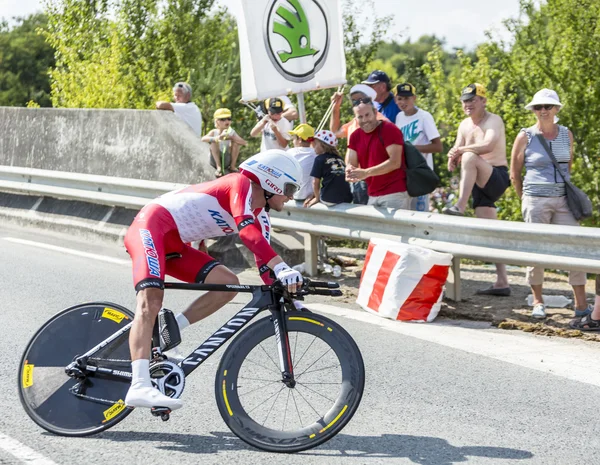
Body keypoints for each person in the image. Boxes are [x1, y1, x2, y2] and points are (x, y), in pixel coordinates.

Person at [122, 149, 304, 410]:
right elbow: (246, 233)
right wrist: (283, 266)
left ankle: (169, 333)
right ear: (270, 180)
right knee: (151, 301)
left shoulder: (261, 216)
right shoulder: (239, 184)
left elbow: (264, 265)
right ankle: (138, 386)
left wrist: (289, 294)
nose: (290, 196)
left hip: (177, 245)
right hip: (151, 227)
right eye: (289, 188)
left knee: (226, 285)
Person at [510, 89, 592, 319]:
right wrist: (525, 198)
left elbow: (569, 164)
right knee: (536, 250)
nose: (543, 111)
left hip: (563, 199)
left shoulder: (567, 134)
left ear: (556, 109)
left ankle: (581, 304)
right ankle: (538, 301)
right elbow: (514, 172)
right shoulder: (525, 136)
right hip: (536, 199)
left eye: (547, 106)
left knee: (575, 248)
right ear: (534, 111)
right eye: (538, 107)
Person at [443, 83, 511, 296]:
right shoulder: (464, 124)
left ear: (483, 100)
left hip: (496, 176)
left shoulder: (493, 120)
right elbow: (456, 148)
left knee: (471, 156)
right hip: (478, 184)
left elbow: (488, 145)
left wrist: (461, 152)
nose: (468, 104)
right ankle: (502, 282)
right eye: (465, 100)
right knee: (492, 233)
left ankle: (459, 207)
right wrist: (452, 158)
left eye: (472, 99)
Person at [329, 84, 388, 205]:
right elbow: (334, 132)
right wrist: (336, 108)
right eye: (354, 100)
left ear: (369, 101)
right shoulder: (354, 122)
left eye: (360, 100)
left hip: (370, 177)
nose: (356, 103)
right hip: (355, 177)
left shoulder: (381, 121)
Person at [345, 100, 408, 209]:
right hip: (372, 194)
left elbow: (395, 162)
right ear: (355, 119)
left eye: (367, 115)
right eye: (360, 117)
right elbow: (351, 163)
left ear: (375, 112)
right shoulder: (355, 136)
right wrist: (349, 170)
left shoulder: (389, 129)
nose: (364, 120)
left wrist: (366, 172)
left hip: (394, 193)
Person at [394, 82, 443, 211]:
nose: (403, 102)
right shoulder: (399, 117)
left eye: (407, 98)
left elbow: (438, 147)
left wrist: (412, 149)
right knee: (405, 213)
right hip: (405, 174)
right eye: (400, 98)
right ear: (395, 100)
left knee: (420, 215)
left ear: (414, 98)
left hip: (420, 174)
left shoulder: (424, 117)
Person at [304, 130, 352, 207]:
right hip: (347, 198)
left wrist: (316, 198)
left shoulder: (319, 159)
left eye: (315, 143)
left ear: (322, 145)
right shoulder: (340, 159)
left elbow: (315, 182)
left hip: (330, 199)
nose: (312, 146)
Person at [201, 108, 247, 177]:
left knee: (236, 143)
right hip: (214, 160)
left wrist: (232, 138)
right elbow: (203, 139)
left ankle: (232, 166)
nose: (226, 121)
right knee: (214, 142)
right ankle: (218, 167)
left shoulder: (231, 132)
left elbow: (244, 143)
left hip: (226, 159)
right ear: (217, 121)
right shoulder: (214, 132)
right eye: (223, 119)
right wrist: (217, 138)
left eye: (229, 119)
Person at [287, 123, 317, 202]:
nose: (293, 142)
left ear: (299, 139)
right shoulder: (316, 154)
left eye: (294, 139)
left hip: (292, 196)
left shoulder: (290, 153)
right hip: (310, 196)